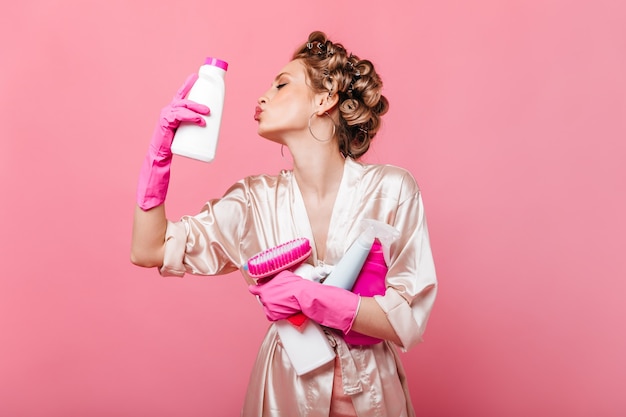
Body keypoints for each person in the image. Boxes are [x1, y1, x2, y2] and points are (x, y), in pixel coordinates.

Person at [131, 31, 437, 417]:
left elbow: (407, 318)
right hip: (284, 392)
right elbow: (149, 250)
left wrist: (311, 297)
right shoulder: (252, 201)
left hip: (373, 397)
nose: (262, 97)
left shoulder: (392, 191)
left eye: (281, 85)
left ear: (325, 99)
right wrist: (159, 157)